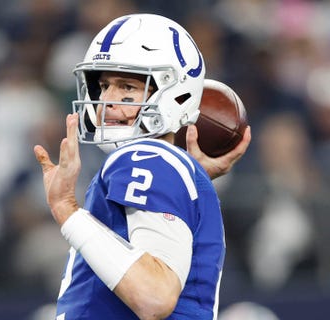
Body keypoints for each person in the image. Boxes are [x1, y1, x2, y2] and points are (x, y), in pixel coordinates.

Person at [33, 13, 250, 319]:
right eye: (105, 85)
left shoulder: (143, 158)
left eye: (127, 88)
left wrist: (66, 209)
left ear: (175, 93)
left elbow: (155, 296)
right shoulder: (162, 164)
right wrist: (183, 176)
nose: (107, 101)